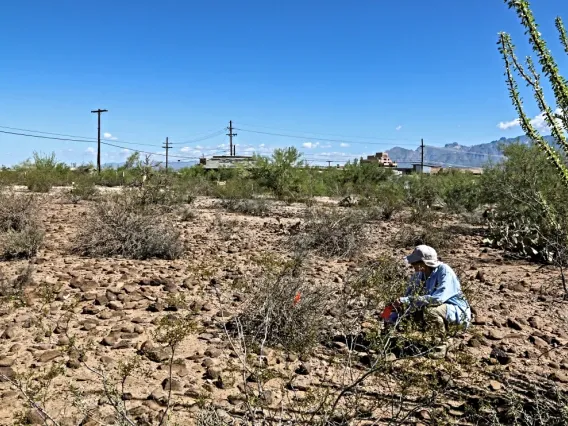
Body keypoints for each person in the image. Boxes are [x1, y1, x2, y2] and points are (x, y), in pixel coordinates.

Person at [384, 245, 472, 359]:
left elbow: (438, 299)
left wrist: (406, 301)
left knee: (430, 312)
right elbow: (407, 298)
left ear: (423, 263)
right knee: (392, 307)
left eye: (414, 262)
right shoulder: (419, 275)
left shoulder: (444, 271)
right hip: (434, 308)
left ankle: (441, 346)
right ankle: (384, 336)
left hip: (456, 312)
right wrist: (388, 314)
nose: (412, 265)